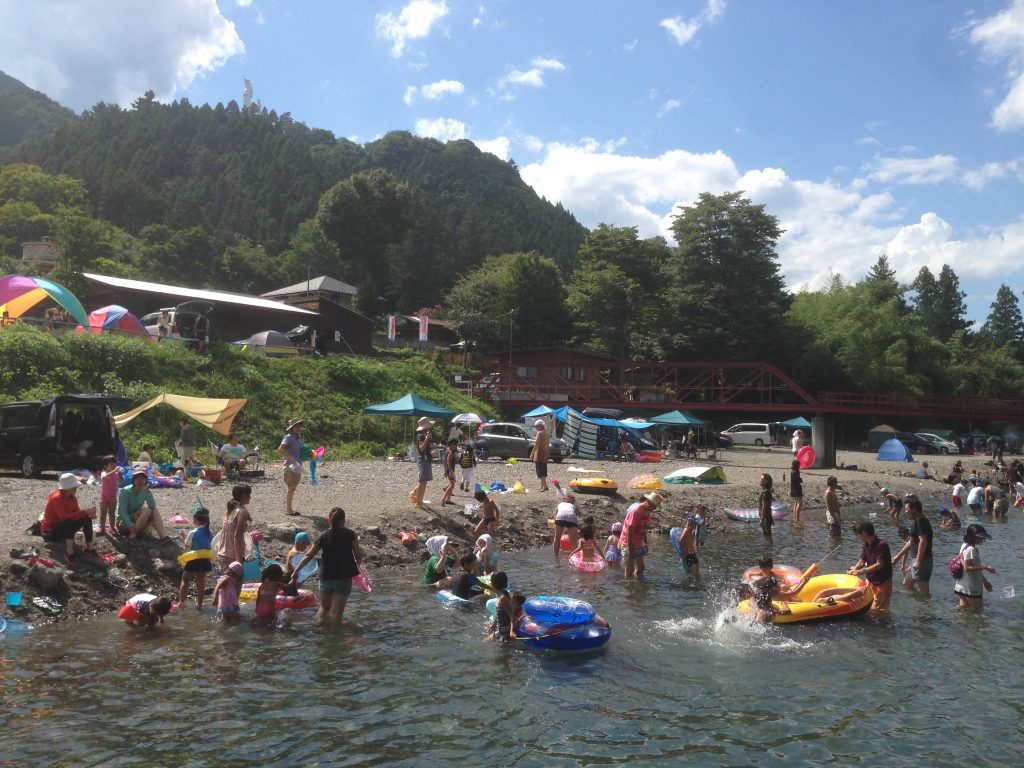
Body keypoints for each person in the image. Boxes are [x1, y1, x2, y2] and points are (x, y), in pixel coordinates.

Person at [288, 507, 364, 625]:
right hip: (343, 577)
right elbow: (358, 557)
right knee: (337, 613)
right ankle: (335, 637)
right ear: (344, 520)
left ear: (329, 520)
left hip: (326, 577)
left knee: (324, 608)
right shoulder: (351, 534)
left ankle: (317, 629)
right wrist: (362, 573)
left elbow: (309, 555)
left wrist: (296, 571)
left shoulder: (323, 535)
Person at [42, 473, 96, 563]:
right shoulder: (56, 498)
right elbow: (63, 518)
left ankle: (89, 548)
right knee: (69, 521)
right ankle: (69, 552)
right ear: (66, 488)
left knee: (86, 518)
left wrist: (88, 514)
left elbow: (78, 514)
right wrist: (84, 512)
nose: (76, 488)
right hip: (50, 532)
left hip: (62, 528)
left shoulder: (72, 498)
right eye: (74, 486)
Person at [847, 520, 894, 610]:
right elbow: (862, 561)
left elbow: (880, 564)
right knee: (867, 606)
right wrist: (853, 570)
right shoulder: (866, 545)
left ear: (864, 533)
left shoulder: (882, 545)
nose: (858, 537)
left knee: (878, 610)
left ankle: (883, 623)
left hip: (882, 582)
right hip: (870, 581)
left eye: (858, 534)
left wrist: (861, 571)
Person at [747, 556, 807, 624]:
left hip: (764, 605)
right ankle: (792, 599)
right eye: (763, 567)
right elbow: (787, 611)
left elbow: (785, 580)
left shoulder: (772, 577)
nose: (765, 569)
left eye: (767, 567)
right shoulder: (770, 604)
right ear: (761, 568)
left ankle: (793, 599)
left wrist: (798, 581)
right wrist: (784, 604)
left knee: (784, 587)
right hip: (770, 604)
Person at [954, 524, 996, 611]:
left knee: (963, 610)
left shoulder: (964, 545)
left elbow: (972, 567)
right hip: (970, 588)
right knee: (977, 612)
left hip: (961, 585)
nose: (982, 539)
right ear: (972, 537)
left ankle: (955, 623)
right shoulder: (971, 550)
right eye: (980, 537)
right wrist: (985, 567)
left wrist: (984, 581)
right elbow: (967, 568)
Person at [178, 507, 213, 609]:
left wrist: (183, 536)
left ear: (196, 520)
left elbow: (187, 545)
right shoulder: (210, 532)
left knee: (185, 580)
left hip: (193, 559)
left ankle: (181, 602)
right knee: (201, 583)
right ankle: (200, 604)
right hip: (205, 560)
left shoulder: (193, 532)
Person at [117, 469, 168, 540]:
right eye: (137, 478)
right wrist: (131, 525)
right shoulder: (125, 491)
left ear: (146, 480)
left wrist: (148, 493)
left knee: (152, 510)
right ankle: (133, 534)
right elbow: (122, 512)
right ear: (133, 480)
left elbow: (152, 506)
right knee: (147, 510)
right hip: (124, 523)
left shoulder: (145, 491)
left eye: (142, 478)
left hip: (137, 521)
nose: (140, 480)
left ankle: (163, 536)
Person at [620, 492, 661, 579]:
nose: (653, 509)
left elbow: (644, 528)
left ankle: (638, 585)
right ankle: (628, 586)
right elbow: (629, 532)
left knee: (641, 568)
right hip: (628, 542)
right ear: (648, 502)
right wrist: (631, 549)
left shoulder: (647, 512)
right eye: (653, 507)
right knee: (629, 570)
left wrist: (645, 543)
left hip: (638, 541)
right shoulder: (636, 512)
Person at [216, 486, 251, 571]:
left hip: (222, 554)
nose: (250, 497)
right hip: (233, 556)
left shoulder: (229, 510)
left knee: (225, 582)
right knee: (234, 583)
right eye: (249, 495)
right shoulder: (242, 512)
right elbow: (237, 536)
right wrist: (238, 561)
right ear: (243, 496)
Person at [484, 571, 521, 643]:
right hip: (500, 630)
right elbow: (499, 613)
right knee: (484, 642)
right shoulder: (500, 596)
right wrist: (494, 624)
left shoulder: (503, 598)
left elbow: (511, 615)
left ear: (492, 585)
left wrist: (512, 631)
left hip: (505, 633)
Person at [279, 417, 304, 516]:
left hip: (297, 464)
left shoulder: (299, 438)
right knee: (291, 486)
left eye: (299, 426)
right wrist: (290, 457)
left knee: (293, 486)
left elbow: (301, 450)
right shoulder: (288, 437)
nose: (298, 428)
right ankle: (288, 510)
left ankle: (289, 509)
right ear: (292, 427)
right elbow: (280, 449)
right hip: (290, 465)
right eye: (296, 426)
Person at [411, 417, 434, 510]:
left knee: (425, 481)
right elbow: (421, 449)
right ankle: (417, 502)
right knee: (422, 481)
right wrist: (427, 439)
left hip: (427, 459)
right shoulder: (420, 436)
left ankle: (420, 499)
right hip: (423, 460)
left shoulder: (426, 434)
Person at [254, 563, 286, 627]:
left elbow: (258, 598)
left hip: (259, 608)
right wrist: (294, 580)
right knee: (272, 626)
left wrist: (256, 608)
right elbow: (289, 588)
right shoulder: (276, 584)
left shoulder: (262, 585)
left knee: (260, 625)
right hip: (269, 609)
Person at [97, 455, 122, 535]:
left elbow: (121, 480)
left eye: (115, 463)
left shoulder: (116, 473)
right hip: (104, 497)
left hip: (113, 497)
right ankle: (102, 527)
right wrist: (114, 471)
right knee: (103, 513)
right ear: (105, 466)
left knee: (112, 513)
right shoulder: (104, 472)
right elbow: (104, 478)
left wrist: (120, 474)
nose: (114, 465)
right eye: (111, 464)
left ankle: (112, 527)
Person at [676, 516, 699, 581]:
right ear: (688, 524)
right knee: (693, 570)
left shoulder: (692, 532)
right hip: (688, 554)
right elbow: (680, 541)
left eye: (694, 525)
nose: (693, 526)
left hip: (693, 553)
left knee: (697, 569)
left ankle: (696, 582)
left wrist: (695, 550)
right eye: (691, 524)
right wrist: (684, 551)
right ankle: (690, 583)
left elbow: (691, 543)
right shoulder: (686, 530)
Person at [530, 419, 550, 492]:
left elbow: (536, 444)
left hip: (539, 454)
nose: (536, 427)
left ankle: (545, 487)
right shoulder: (546, 433)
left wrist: (532, 453)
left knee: (540, 471)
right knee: (543, 471)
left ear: (541, 426)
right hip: (545, 454)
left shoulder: (540, 433)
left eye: (536, 426)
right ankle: (542, 486)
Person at [440, 437, 458, 507]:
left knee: (452, 483)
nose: (456, 447)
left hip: (448, 470)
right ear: (452, 444)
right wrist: (450, 472)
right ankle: (443, 499)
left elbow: (444, 461)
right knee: (452, 485)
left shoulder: (447, 450)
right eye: (455, 445)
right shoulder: (450, 452)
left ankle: (448, 499)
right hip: (450, 470)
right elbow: (448, 461)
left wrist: (446, 471)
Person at [758, 474, 774, 546]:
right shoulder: (765, 491)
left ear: (766, 481)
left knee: (768, 536)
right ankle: (768, 553)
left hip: (765, 518)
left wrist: (762, 519)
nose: (760, 480)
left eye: (761, 479)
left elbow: (765, 506)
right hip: (767, 517)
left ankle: (769, 553)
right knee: (767, 536)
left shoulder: (765, 492)